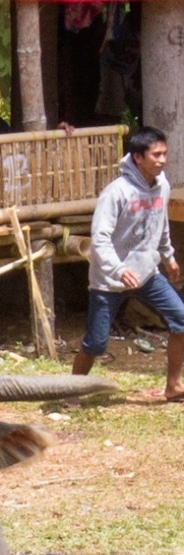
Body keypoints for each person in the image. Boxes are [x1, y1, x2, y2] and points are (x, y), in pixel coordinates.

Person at [71, 126, 184, 405]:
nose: (162, 160)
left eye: (164, 154)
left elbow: (161, 225)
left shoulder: (162, 186)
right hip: (109, 280)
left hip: (146, 273)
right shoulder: (116, 193)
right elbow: (99, 239)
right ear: (137, 157)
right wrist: (120, 270)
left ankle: (173, 386)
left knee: (181, 320)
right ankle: (70, 392)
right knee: (96, 343)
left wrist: (168, 256)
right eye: (155, 155)